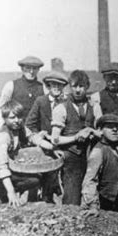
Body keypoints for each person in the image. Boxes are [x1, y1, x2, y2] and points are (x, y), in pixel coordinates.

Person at [0, 100, 55, 207]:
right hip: (0, 176)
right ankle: (5, 198)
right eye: (12, 118)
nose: (17, 121)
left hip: (12, 169)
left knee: (38, 176)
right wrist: (10, 192)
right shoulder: (3, 136)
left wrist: (51, 146)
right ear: (4, 118)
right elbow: (0, 167)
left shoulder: (20, 128)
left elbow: (31, 137)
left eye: (19, 117)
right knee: (33, 180)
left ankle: (35, 201)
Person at [51, 70, 98, 205]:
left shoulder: (94, 106)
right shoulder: (61, 108)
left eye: (81, 86)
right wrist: (76, 137)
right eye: (74, 86)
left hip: (90, 155)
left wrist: (90, 131)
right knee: (72, 198)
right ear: (70, 87)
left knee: (92, 197)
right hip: (70, 157)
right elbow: (55, 139)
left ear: (87, 86)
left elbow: (101, 132)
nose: (78, 90)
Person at [25, 71, 69, 202]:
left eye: (59, 85)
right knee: (39, 177)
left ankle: (51, 201)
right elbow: (29, 124)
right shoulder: (41, 101)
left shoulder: (67, 102)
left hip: (62, 144)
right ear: (48, 86)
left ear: (63, 87)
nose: (56, 88)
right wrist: (39, 135)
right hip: (44, 145)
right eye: (53, 85)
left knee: (56, 179)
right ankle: (35, 202)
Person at [81, 114, 118, 214]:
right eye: (110, 127)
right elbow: (90, 180)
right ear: (101, 130)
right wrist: (92, 205)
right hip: (107, 201)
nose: (115, 130)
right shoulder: (99, 151)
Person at [0, 56, 45, 130]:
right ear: (22, 69)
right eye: (28, 68)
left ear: (38, 70)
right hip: (14, 129)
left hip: (35, 131)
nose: (31, 71)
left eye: (34, 68)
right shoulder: (11, 85)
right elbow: (2, 110)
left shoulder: (43, 88)